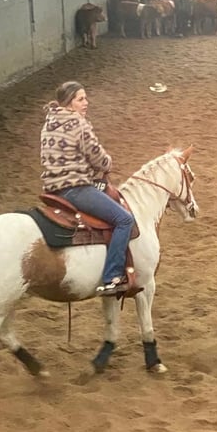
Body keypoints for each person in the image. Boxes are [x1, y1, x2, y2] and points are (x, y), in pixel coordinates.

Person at [40, 81, 135, 296]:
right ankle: (112, 276)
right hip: (75, 189)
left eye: (85, 98)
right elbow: (98, 158)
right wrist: (108, 163)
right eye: (80, 99)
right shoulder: (78, 124)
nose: (86, 103)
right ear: (69, 102)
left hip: (52, 191)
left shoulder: (49, 122)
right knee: (124, 220)